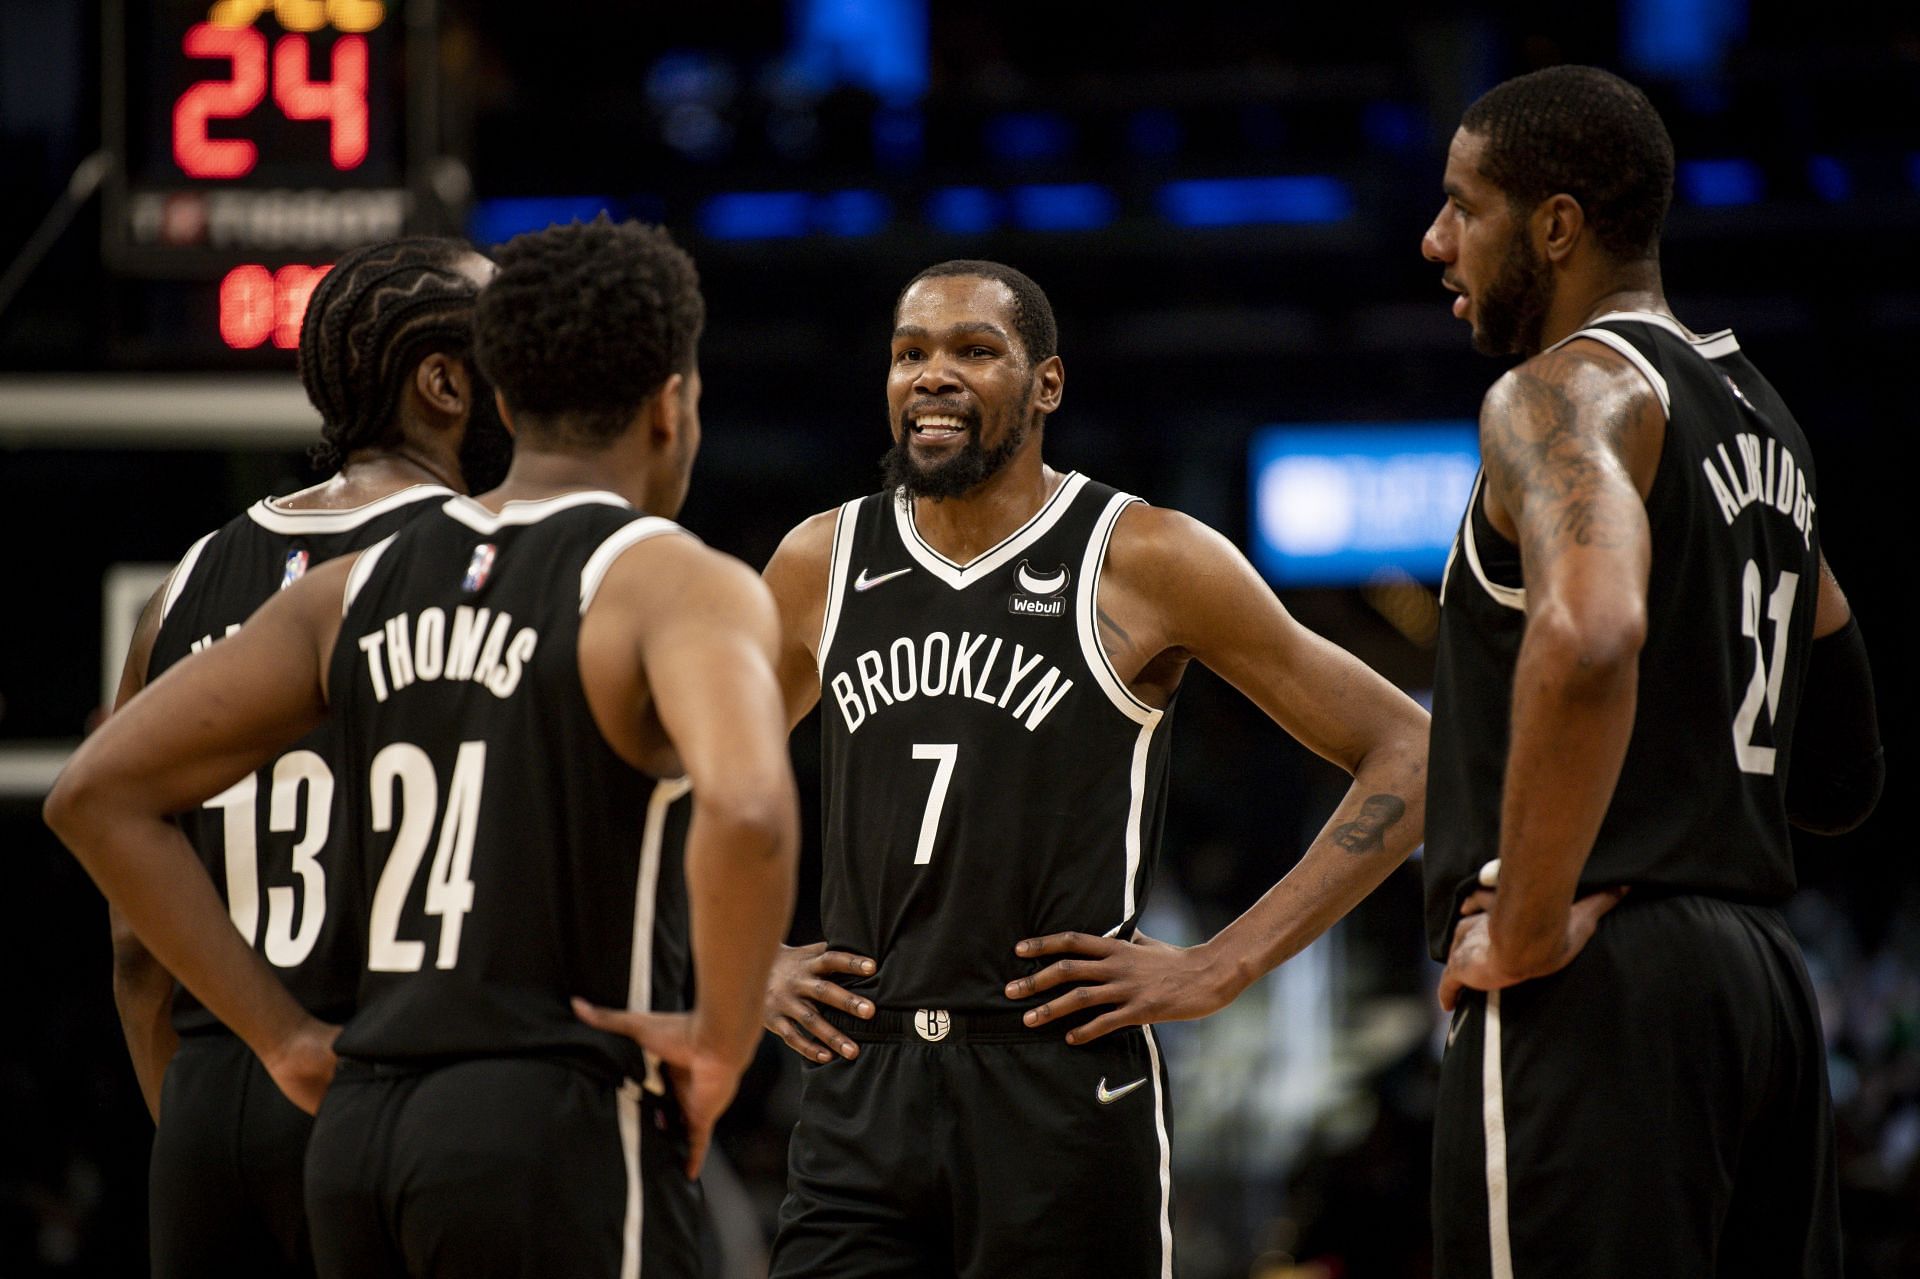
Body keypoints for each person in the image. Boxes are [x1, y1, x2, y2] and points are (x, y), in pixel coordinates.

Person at [47, 218, 800, 1278]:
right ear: (672, 405)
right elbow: (752, 813)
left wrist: (258, 1047)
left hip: (314, 1109)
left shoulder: (300, 586)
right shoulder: (635, 572)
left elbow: (106, 839)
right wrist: (723, 1037)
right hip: (521, 1091)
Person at [758, 259, 1432, 1277]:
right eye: (910, 353)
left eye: (974, 350)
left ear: (1047, 386)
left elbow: (1412, 753)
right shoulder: (822, 559)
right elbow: (678, 773)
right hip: (864, 1086)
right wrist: (744, 960)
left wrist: (1224, 965)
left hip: (1059, 1090)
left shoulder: (1145, 557)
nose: (933, 374)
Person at [1418, 65, 1883, 1277]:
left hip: (1596, 980)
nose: (1436, 241)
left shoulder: (1562, 393)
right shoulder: (1762, 419)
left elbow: (1589, 632)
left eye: (1464, 207)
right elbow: (1842, 770)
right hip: (1765, 990)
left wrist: (1521, 920)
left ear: (1556, 226)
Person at [106, 235, 512, 1278]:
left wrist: (205, 1119)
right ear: (445, 381)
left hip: (212, 1101)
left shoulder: (185, 582)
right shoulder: (487, 565)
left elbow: (137, 948)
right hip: (395, 1093)